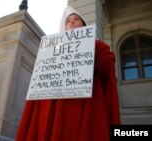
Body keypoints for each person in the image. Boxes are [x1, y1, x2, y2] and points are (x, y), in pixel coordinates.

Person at [16, 6, 120, 141]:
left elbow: (108, 69)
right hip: (55, 106)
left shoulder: (98, 45)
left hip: (85, 106)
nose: (71, 22)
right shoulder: (52, 49)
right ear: (65, 27)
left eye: (76, 19)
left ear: (83, 24)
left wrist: (87, 50)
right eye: (68, 20)